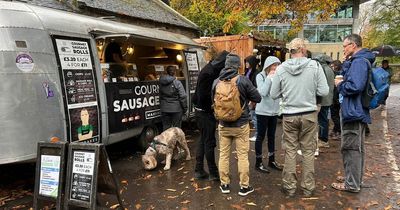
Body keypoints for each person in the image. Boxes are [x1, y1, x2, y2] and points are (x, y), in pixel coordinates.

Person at [270, 38, 329, 197]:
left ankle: (289, 188)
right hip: (309, 114)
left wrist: (288, 92)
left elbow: (273, 93)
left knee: (290, 151)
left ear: (291, 52)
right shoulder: (315, 66)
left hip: (289, 115)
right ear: (303, 50)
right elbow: (324, 91)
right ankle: (308, 188)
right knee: (308, 151)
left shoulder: (281, 69)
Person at [212, 53, 261, 196]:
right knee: (242, 156)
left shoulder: (216, 82)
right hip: (241, 125)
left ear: (225, 65)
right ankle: (244, 187)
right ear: (237, 65)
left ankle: (225, 185)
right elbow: (257, 97)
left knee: (223, 156)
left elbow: (213, 101)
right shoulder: (243, 80)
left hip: (223, 125)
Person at [331, 34, 375, 193]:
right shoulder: (359, 61)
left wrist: (340, 84)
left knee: (351, 148)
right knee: (357, 147)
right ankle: (354, 177)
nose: (343, 49)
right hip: (357, 109)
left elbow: (354, 86)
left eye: (345, 46)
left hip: (353, 110)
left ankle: (352, 183)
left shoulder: (358, 63)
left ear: (353, 45)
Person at [193, 51, 229, 181]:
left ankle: (198, 170)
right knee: (209, 142)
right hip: (204, 113)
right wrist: (215, 105)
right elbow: (203, 96)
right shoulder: (209, 73)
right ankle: (213, 173)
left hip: (200, 111)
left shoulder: (209, 69)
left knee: (203, 140)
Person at [254, 56, 283, 173]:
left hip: (274, 111)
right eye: (273, 65)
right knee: (260, 136)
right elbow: (263, 92)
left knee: (272, 136)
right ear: (268, 66)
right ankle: (258, 162)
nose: (276, 67)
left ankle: (272, 160)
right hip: (262, 111)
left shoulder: (279, 76)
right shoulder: (260, 76)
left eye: (277, 65)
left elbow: (280, 92)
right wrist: (269, 78)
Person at [313, 54, 335, 149]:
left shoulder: (322, 69)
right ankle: (323, 138)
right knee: (324, 119)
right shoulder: (329, 69)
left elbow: (321, 86)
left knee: (322, 120)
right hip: (328, 98)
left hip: (323, 99)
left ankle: (323, 139)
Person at [159, 66, 187, 131]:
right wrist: (185, 108)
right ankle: (175, 141)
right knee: (176, 129)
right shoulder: (177, 83)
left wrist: (162, 106)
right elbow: (183, 96)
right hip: (176, 109)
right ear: (174, 72)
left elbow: (160, 95)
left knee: (166, 128)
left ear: (166, 72)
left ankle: (167, 141)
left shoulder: (161, 82)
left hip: (164, 109)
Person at [244, 55, 260, 141]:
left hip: (252, 99)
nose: (246, 64)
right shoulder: (248, 71)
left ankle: (258, 135)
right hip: (248, 98)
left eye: (248, 62)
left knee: (255, 117)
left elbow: (256, 87)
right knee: (253, 117)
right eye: (245, 62)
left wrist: (252, 100)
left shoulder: (256, 73)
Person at [329, 60, 343, 139]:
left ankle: (338, 130)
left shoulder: (335, 75)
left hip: (335, 98)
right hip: (339, 98)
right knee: (337, 115)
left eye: (332, 66)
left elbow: (334, 88)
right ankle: (336, 129)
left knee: (334, 115)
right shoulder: (343, 74)